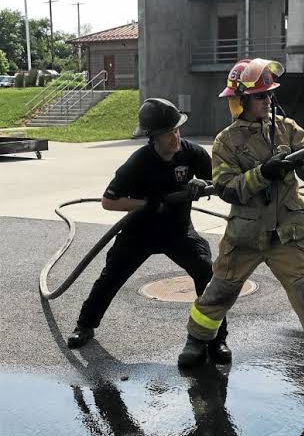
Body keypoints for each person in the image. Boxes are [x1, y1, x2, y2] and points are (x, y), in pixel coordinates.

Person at [178, 59, 304, 402]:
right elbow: (227, 188)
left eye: (270, 94)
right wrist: (263, 174)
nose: (268, 100)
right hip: (246, 235)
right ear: (241, 101)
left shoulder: (289, 130)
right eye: (260, 96)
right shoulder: (226, 141)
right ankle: (197, 340)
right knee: (219, 292)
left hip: (288, 233)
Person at [67, 97, 231, 364]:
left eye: (176, 130)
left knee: (205, 272)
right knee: (111, 277)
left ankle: (218, 339)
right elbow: (109, 201)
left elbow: (219, 180)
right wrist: (147, 204)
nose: (174, 137)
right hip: (139, 232)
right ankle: (85, 325)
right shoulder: (139, 162)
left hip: (178, 231)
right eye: (167, 133)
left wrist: (203, 183)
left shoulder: (193, 154)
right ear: (153, 136)